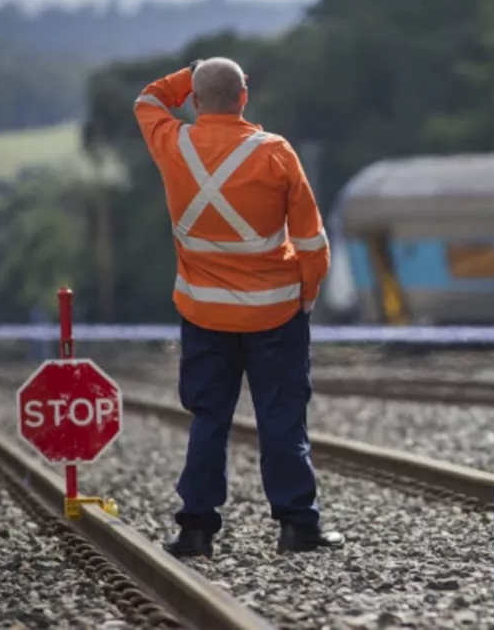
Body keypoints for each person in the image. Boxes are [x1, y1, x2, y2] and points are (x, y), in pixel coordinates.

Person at [134, 57, 344, 557]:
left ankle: (196, 530)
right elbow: (311, 241)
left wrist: (192, 72)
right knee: (282, 419)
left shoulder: (173, 143)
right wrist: (308, 292)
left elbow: (148, 99)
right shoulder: (276, 153)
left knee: (209, 418)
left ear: (197, 100)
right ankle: (297, 525)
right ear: (245, 96)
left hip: (204, 316)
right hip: (276, 314)